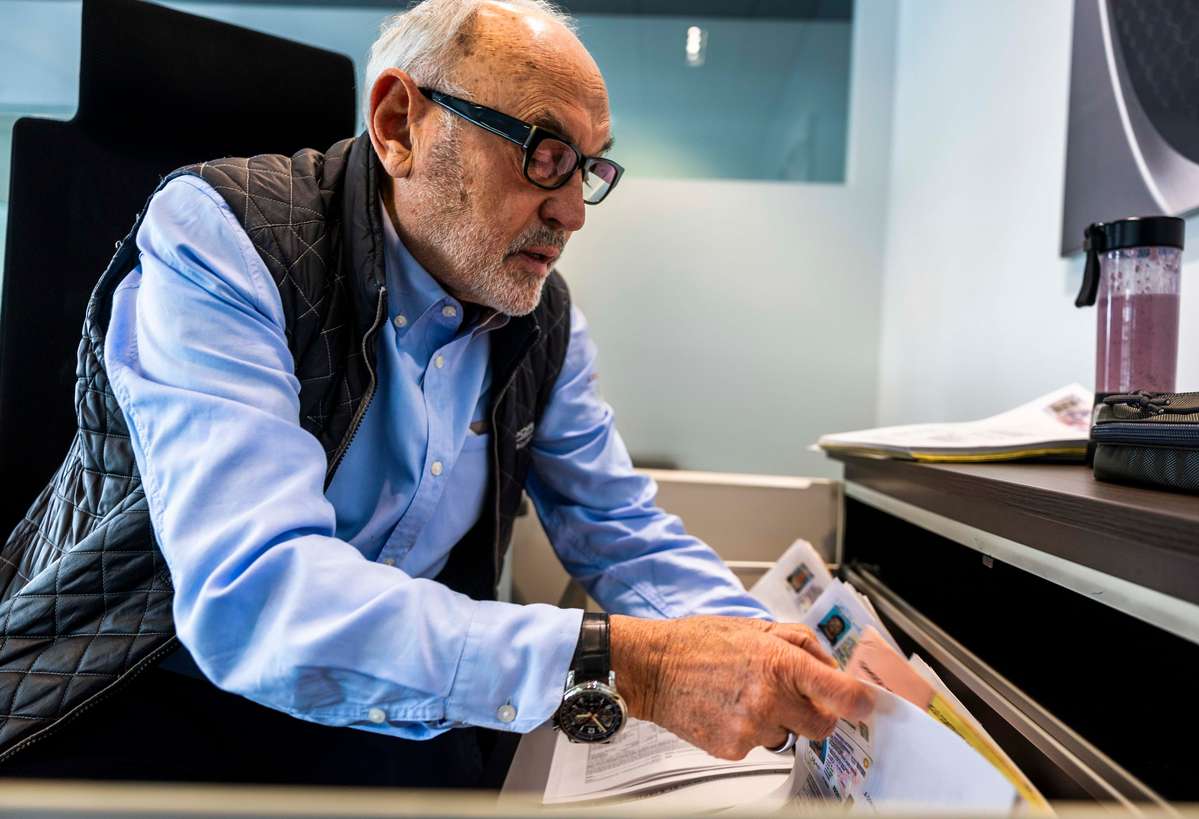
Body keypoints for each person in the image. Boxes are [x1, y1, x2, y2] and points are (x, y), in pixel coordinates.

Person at [0, 0, 871, 789]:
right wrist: (626, 664)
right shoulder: (222, 241)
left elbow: (622, 531)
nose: (572, 211)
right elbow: (260, 597)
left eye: (589, 170)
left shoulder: (538, 318)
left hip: (386, 701)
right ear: (398, 125)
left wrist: (776, 656)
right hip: (153, 686)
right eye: (546, 154)